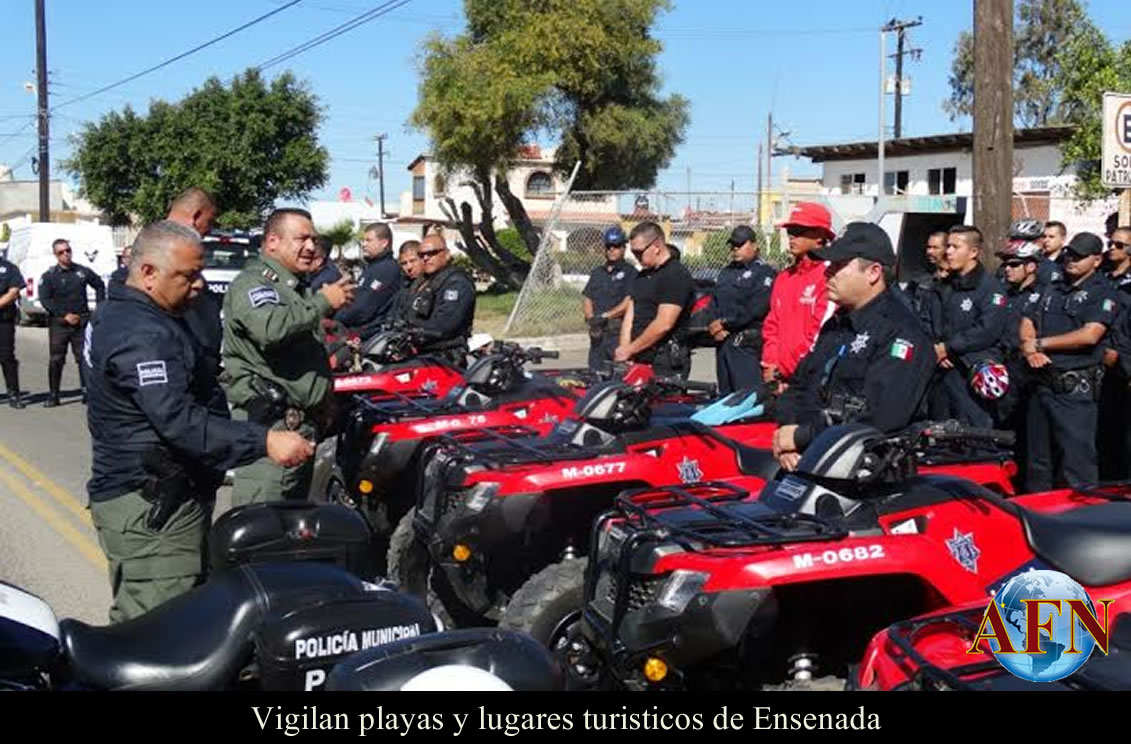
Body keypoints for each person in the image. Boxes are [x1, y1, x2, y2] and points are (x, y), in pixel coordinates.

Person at [84, 221, 314, 622]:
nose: (199, 285)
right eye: (188, 275)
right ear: (148, 273)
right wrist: (266, 442)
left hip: (162, 496)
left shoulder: (140, 314)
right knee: (158, 631)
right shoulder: (139, 333)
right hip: (152, 507)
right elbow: (179, 421)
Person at [772, 223, 934, 471]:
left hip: (869, 476)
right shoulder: (837, 325)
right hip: (814, 462)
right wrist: (787, 435)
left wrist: (801, 436)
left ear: (873, 272)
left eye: (838, 266)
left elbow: (881, 417)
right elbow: (799, 386)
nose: (828, 274)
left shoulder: (901, 332)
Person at [222, 208, 356, 506]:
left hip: (302, 428)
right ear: (272, 242)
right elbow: (270, 328)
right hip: (271, 432)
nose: (311, 247)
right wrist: (322, 302)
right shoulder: (255, 284)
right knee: (263, 531)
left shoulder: (293, 288)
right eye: (301, 239)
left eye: (313, 239)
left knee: (289, 533)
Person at [1020, 232, 1116, 490]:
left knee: (1077, 463)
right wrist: (1031, 350)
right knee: (1037, 463)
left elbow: (1090, 335)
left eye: (1079, 256)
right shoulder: (1052, 286)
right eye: (1070, 254)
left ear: (1096, 260)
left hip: (1074, 390)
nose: (1071, 260)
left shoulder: (1102, 292)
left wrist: (1042, 344)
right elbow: (1028, 320)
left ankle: (1084, 521)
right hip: (1041, 383)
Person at [931, 225, 1008, 427]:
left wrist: (948, 348)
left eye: (955, 247)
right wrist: (937, 347)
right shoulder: (943, 286)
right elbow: (930, 320)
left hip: (973, 373)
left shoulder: (990, 288)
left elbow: (987, 330)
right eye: (948, 246)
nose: (948, 252)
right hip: (942, 372)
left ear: (973, 252)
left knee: (974, 434)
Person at [761, 202, 837, 387]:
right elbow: (772, 326)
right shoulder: (784, 278)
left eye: (799, 230)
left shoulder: (830, 276)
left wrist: (785, 370)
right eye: (790, 231)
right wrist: (770, 364)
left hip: (813, 379)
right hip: (779, 378)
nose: (792, 236)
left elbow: (820, 332)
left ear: (820, 236)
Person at [614, 222, 695, 378]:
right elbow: (630, 316)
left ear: (656, 245)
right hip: (639, 354)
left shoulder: (675, 275)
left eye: (639, 252)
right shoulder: (642, 276)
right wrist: (625, 350)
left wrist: (630, 349)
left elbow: (664, 323)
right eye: (633, 252)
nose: (636, 258)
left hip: (665, 359)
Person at [705, 225, 776, 393]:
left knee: (746, 395)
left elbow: (757, 308)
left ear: (754, 245)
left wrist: (725, 323)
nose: (735, 249)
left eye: (740, 245)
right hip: (723, 340)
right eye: (733, 246)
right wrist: (713, 324)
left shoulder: (763, 272)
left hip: (746, 341)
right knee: (726, 395)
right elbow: (713, 302)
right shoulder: (726, 272)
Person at [39, 238, 106, 407]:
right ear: (56, 255)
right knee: (56, 359)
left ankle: (87, 391)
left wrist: (99, 309)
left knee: (83, 358)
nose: (66, 254)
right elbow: (45, 299)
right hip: (59, 323)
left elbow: (99, 285)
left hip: (81, 322)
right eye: (61, 252)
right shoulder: (49, 276)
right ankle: (54, 395)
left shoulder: (82, 272)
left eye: (68, 250)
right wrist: (63, 315)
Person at [403, 234, 476, 366]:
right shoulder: (423, 282)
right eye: (422, 255)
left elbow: (445, 325)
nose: (426, 258)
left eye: (432, 253)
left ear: (446, 254)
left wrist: (411, 331)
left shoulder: (457, 283)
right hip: (420, 353)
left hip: (444, 358)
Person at [1098, 225, 1131, 479]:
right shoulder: (1104, 277)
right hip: (1099, 359)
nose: (1112, 248)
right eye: (1111, 243)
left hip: (1121, 362)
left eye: (1119, 245)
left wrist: (1119, 354)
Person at [583, 226, 637, 371]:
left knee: (618, 377)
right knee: (595, 374)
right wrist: (591, 318)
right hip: (598, 335)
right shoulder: (597, 273)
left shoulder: (630, 273)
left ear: (624, 248)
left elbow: (628, 302)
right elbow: (588, 296)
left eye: (616, 246)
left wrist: (605, 316)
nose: (611, 249)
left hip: (617, 334)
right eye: (608, 246)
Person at [336, 222, 401, 341]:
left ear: (384, 243)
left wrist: (337, 319)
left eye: (368, 240)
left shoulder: (386, 270)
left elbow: (364, 307)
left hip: (368, 335)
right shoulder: (373, 267)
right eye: (363, 240)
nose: (363, 244)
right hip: (357, 330)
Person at [0, 253, 24, 408]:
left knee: (7, 357)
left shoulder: (9, 268)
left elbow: (14, 291)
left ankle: (14, 394)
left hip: (3, 320)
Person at [390, 240, 422, 323]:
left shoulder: (434, 285)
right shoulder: (403, 287)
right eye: (404, 263)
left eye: (413, 261)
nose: (409, 267)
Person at [1037, 220, 1066, 286]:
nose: (1046, 240)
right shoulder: (1037, 260)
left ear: (1062, 239)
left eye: (1051, 237)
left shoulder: (1066, 262)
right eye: (1044, 236)